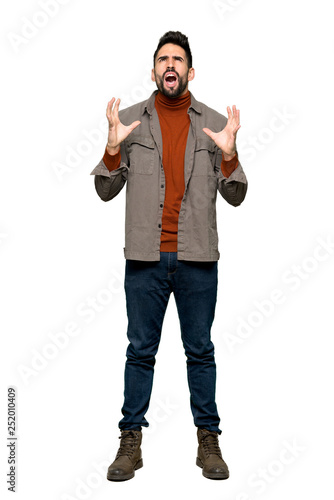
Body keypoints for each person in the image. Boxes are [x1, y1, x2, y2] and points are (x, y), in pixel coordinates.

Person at [90, 31, 248, 481]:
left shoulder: (215, 123)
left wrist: (231, 154)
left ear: (190, 71)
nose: (170, 65)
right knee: (140, 351)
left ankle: (208, 442)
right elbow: (104, 190)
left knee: (200, 351)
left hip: (198, 257)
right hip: (144, 258)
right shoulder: (129, 121)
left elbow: (236, 196)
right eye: (163, 59)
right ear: (154, 70)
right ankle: (130, 442)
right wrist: (113, 145)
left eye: (178, 59)